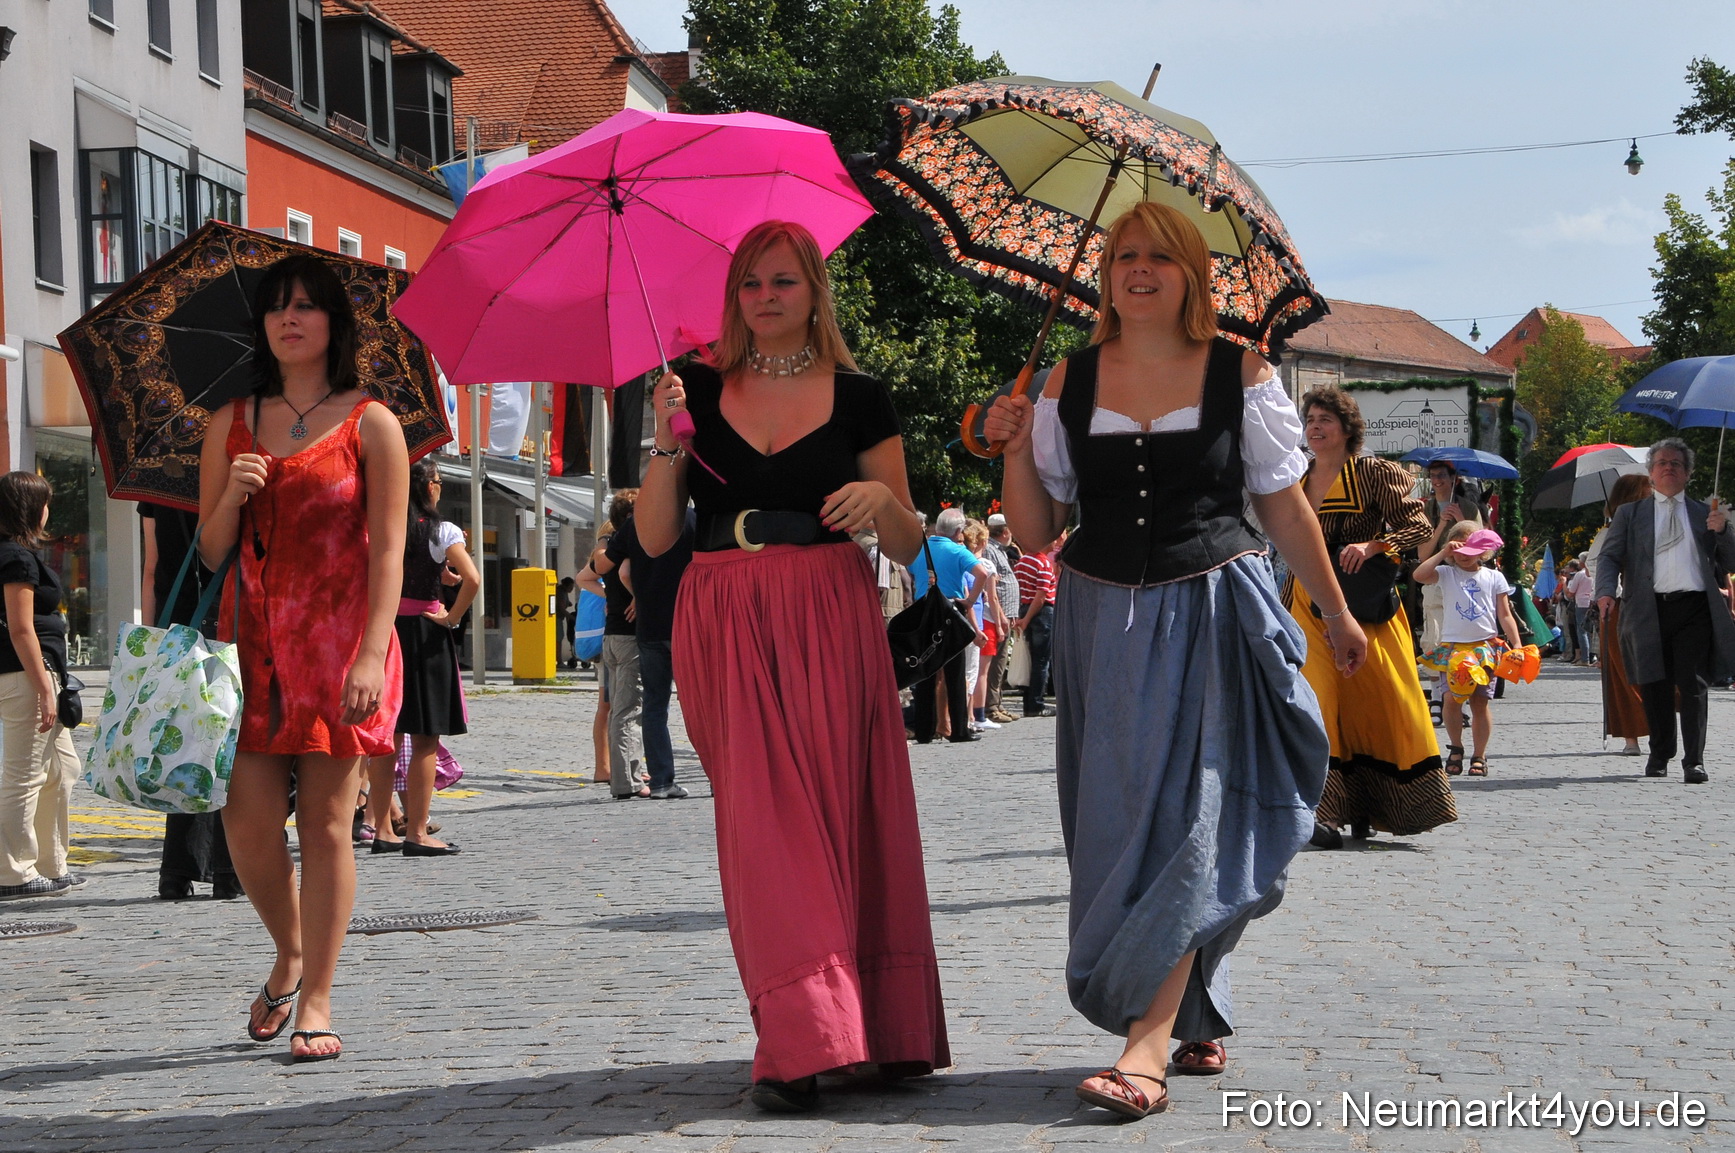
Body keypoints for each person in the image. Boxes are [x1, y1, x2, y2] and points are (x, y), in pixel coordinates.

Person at [988, 201, 1367, 1120]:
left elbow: (1282, 507)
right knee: (1119, 823)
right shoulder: (1064, 384)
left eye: (1160, 256)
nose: (1139, 269)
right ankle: (1194, 1004)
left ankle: (1145, 1045)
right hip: (1099, 621)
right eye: (1123, 254)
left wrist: (1334, 610)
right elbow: (1037, 531)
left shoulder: (1242, 372)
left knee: (1196, 809)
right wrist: (1011, 448)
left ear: (1195, 275)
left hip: (1212, 609)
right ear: (1103, 271)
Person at [636, 219, 949, 1112]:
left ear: (814, 290)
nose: (765, 298)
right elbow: (657, 536)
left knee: (847, 808)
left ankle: (877, 1024)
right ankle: (803, 1036)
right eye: (749, 284)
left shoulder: (860, 396)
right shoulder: (688, 390)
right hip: (722, 605)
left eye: (781, 282)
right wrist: (665, 440)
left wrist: (881, 497)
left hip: (828, 601)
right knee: (764, 822)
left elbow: (907, 535)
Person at [198, 253, 409, 1061]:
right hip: (249, 647)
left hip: (339, 648)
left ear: (333, 322)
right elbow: (213, 549)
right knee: (246, 824)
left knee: (325, 827)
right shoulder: (232, 420)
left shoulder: (372, 421)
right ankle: (288, 949)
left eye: (307, 306)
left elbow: (389, 552)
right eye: (277, 307)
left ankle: (316, 996)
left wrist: (370, 654)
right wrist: (231, 494)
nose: (290, 318)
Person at [1290, 388, 1452, 848]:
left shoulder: (1374, 472)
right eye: (1311, 420)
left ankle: (1372, 806)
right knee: (1318, 701)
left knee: (1380, 705)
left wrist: (1375, 544)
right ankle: (1322, 810)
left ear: (1347, 428)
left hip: (1366, 608)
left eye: (1325, 419)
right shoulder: (1296, 477)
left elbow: (1419, 526)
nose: (1316, 427)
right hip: (1306, 602)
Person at [1594, 438, 1735, 784]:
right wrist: (1605, 592)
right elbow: (1610, 556)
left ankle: (1694, 760)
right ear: (1651, 474)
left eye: (1676, 463)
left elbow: (1730, 561)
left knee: (1693, 683)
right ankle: (1660, 753)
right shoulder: (1631, 513)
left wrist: (1725, 530)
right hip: (1647, 609)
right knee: (1654, 682)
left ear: (1687, 474)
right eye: (1661, 463)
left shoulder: (1707, 513)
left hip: (1694, 608)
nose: (1669, 467)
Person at [365, 459, 479, 855]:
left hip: (386, 629)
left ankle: (381, 828)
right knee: (425, 735)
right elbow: (474, 578)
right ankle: (417, 830)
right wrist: (452, 615)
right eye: (439, 481)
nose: (441, 487)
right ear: (428, 487)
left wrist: (440, 574)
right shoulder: (441, 529)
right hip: (427, 631)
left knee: (387, 734)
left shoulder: (384, 526)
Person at [140, 501, 241, 901]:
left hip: (176, 626)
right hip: (231, 617)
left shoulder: (158, 483)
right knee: (230, 747)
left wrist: (152, 640)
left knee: (181, 746)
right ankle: (228, 870)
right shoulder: (240, 470)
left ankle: (176, 870)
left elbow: (152, 567)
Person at [0, 472, 82, 902]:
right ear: (31, 507)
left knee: (63, 770)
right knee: (24, 774)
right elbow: (20, 628)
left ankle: (51, 863)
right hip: (25, 675)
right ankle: (13, 872)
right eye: (45, 501)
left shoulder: (19, 553)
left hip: (32, 674)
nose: (49, 509)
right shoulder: (15, 557)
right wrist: (44, 688)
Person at [605, 505, 695, 799]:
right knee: (703, 706)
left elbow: (616, 567)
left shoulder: (637, 523)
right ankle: (717, 778)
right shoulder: (697, 519)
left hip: (651, 627)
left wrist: (638, 597)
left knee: (655, 706)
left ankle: (661, 781)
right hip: (690, 623)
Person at [1416, 526, 1521, 776]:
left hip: (1484, 646)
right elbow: (1420, 575)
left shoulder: (1494, 577)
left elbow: (1504, 614)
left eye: (1470, 549)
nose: (1465, 554)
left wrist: (1516, 644)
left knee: (1480, 701)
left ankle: (1479, 754)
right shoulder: (1446, 573)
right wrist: (1442, 552)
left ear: (1482, 551)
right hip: (1453, 648)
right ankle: (1456, 747)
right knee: (1451, 700)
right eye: (1459, 548)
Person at [581, 492, 647, 800]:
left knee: (613, 706)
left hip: (610, 637)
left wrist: (609, 597)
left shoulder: (607, 548)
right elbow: (624, 573)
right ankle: (626, 779)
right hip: (628, 636)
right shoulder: (630, 544)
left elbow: (584, 577)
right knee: (627, 709)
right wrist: (637, 597)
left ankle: (618, 769)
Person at [906, 507, 991, 743]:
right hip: (950, 609)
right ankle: (959, 730)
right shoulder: (957, 550)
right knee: (955, 673)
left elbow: (911, 573)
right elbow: (982, 573)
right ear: (958, 531)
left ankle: (924, 730)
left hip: (923, 610)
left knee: (925, 672)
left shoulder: (919, 550)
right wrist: (970, 600)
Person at [1588, 475, 1652, 754]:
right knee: (1623, 673)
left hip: (1649, 605)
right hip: (1616, 607)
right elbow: (1597, 565)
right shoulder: (1609, 532)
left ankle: (1659, 730)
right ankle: (1631, 737)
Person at [1012, 538, 1057, 718]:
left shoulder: (1022, 562)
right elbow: (1041, 595)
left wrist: (1022, 617)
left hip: (1024, 608)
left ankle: (1028, 702)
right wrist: (1029, 617)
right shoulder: (1044, 563)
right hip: (1041, 612)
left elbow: (1018, 589)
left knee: (1029, 659)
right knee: (1041, 660)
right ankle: (1036, 704)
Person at [983, 514, 1021, 724]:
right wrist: (1002, 616)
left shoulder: (1000, 551)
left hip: (1005, 615)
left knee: (1000, 661)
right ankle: (990, 706)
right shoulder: (990, 550)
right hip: (997, 616)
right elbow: (993, 588)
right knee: (995, 661)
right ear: (1005, 531)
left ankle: (996, 703)